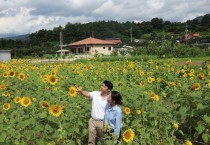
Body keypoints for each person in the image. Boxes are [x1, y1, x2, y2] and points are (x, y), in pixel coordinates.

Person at [76, 80, 113, 145]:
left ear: (108, 90)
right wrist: (81, 91)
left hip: (103, 122)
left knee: (104, 140)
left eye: (104, 87)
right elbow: (87, 94)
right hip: (92, 121)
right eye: (102, 85)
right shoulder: (96, 94)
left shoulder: (110, 99)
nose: (101, 87)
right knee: (91, 141)